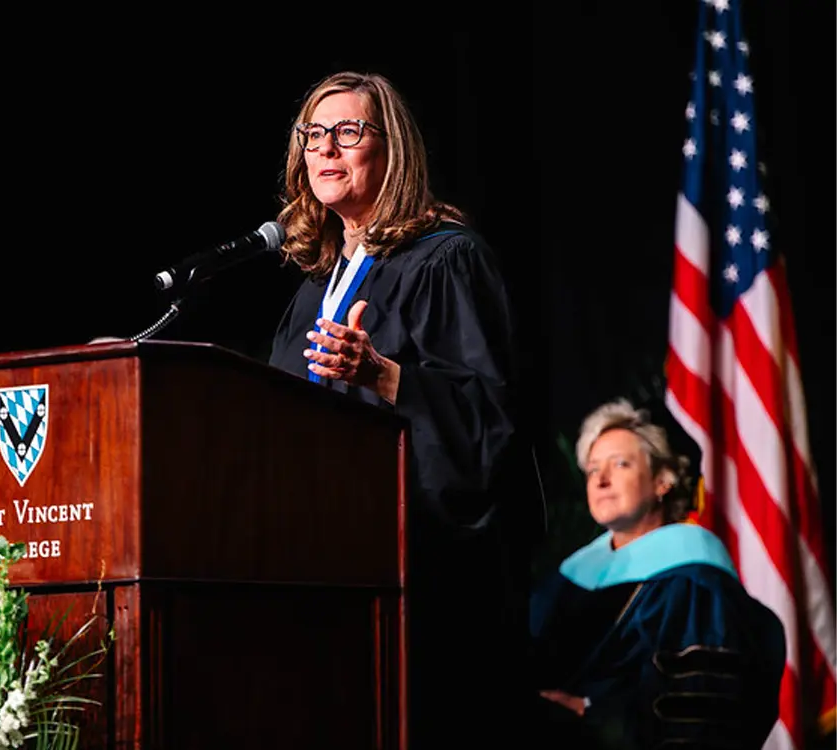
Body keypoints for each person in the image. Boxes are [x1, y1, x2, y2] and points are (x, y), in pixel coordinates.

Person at [266, 71, 540, 745]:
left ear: (393, 151)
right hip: (321, 578)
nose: (327, 147)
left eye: (349, 131)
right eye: (313, 134)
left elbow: (491, 428)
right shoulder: (313, 292)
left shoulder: (445, 261)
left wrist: (389, 380)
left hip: (425, 590)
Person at [530, 399, 785, 748]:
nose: (601, 480)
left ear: (662, 481)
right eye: (592, 470)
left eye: (620, 464)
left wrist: (590, 710)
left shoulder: (696, 586)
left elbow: (706, 713)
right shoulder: (567, 579)